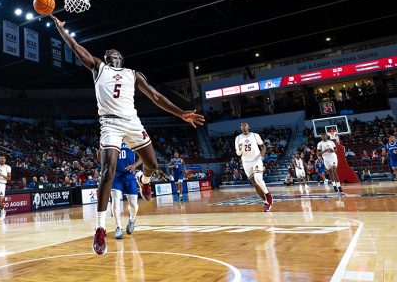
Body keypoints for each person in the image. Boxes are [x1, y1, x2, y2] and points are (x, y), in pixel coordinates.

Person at [49, 14, 205, 255]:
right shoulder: (98, 67)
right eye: (110, 52)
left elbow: (156, 97)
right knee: (107, 170)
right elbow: (76, 47)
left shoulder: (134, 74)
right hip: (110, 124)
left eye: (116, 53)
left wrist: (180, 113)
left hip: (132, 121)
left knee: (152, 164)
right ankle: (100, 229)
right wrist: (61, 30)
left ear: (121, 59)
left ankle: (145, 181)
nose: (113, 53)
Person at [235, 122, 273, 212]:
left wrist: (263, 152)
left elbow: (263, 146)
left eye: (245, 125)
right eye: (241, 125)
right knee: (255, 184)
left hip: (256, 159)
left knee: (258, 179)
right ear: (241, 128)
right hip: (246, 163)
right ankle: (265, 202)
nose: (243, 126)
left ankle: (268, 194)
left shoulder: (255, 135)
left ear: (248, 127)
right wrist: (239, 149)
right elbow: (238, 153)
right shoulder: (238, 138)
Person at [108, 142, 141, 240]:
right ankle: (118, 227)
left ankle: (132, 219)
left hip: (130, 175)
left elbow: (143, 157)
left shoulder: (132, 139)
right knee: (115, 200)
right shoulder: (112, 139)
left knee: (134, 204)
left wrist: (135, 165)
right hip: (116, 175)